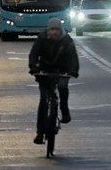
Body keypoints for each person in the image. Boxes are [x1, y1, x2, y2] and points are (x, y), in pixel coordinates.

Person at [29, 17, 80, 145]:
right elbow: (34, 54)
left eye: (57, 29)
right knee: (44, 101)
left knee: (63, 88)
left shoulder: (67, 41)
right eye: (52, 29)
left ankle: (64, 110)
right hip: (44, 72)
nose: (54, 32)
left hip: (61, 71)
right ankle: (40, 133)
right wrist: (33, 67)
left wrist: (73, 71)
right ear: (48, 30)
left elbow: (73, 57)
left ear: (60, 30)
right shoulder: (42, 39)